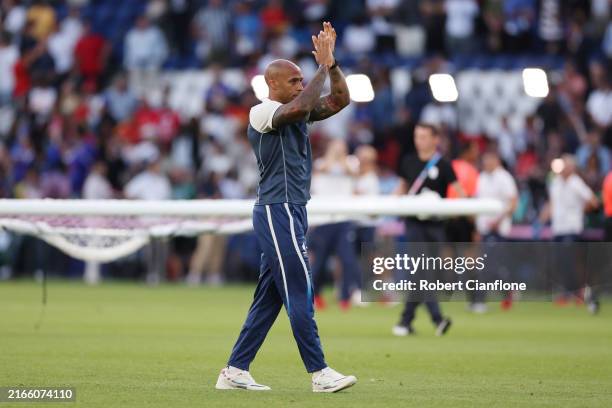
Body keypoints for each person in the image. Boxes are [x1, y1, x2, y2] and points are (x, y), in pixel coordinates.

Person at [216, 22, 357, 393]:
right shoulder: (260, 113)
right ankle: (319, 373)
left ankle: (234, 370)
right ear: (272, 85)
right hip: (276, 208)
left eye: (300, 80)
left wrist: (334, 64)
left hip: (293, 208)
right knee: (299, 288)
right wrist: (322, 67)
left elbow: (340, 100)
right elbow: (305, 103)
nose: (299, 85)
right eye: (293, 80)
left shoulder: (299, 109)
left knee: (271, 297)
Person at [392, 123, 461, 336]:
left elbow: (459, 192)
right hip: (414, 224)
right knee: (423, 270)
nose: (418, 140)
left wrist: (456, 208)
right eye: (416, 136)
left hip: (436, 226)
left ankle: (405, 321)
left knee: (423, 273)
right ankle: (438, 319)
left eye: (423, 136)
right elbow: (401, 189)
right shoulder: (409, 161)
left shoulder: (444, 164)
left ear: (435, 139)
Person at [538, 154, 598, 309]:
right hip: (558, 228)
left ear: (571, 167)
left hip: (572, 228)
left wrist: (579, 212)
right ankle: (567, 292)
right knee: (560, 262)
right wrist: (541, 219)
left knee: (571, 262)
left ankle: (579, 292)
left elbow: (593, 201)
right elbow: (552, 203)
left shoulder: (576, 183)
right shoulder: (555, 183)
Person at [475, 150, 518, 311]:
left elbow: (513, 202)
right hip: (485, 229)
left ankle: (480, 300)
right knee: (494, 265)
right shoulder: (482, 178)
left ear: (496, 160)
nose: (486, 163)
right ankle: (509, 290)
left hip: (498, 230)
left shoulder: (504, 178)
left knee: (488, 264)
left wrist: (498, 220)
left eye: (488, 160)